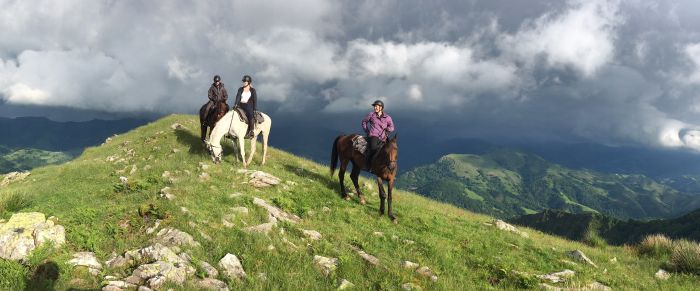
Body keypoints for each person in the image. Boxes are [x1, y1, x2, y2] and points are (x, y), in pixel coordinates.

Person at [361, 100, 395, 169]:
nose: (375, 108)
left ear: (381, 107)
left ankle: (386, 167)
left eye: (376, 106)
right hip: (373, 136)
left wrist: (388, 129)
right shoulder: (371, 115)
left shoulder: (387, 117)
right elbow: (364, 122)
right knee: (373, 149)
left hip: (383, 138)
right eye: (374, 106)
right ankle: (367, 165)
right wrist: (367, 131)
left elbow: (392, 127)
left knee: (389, 150)